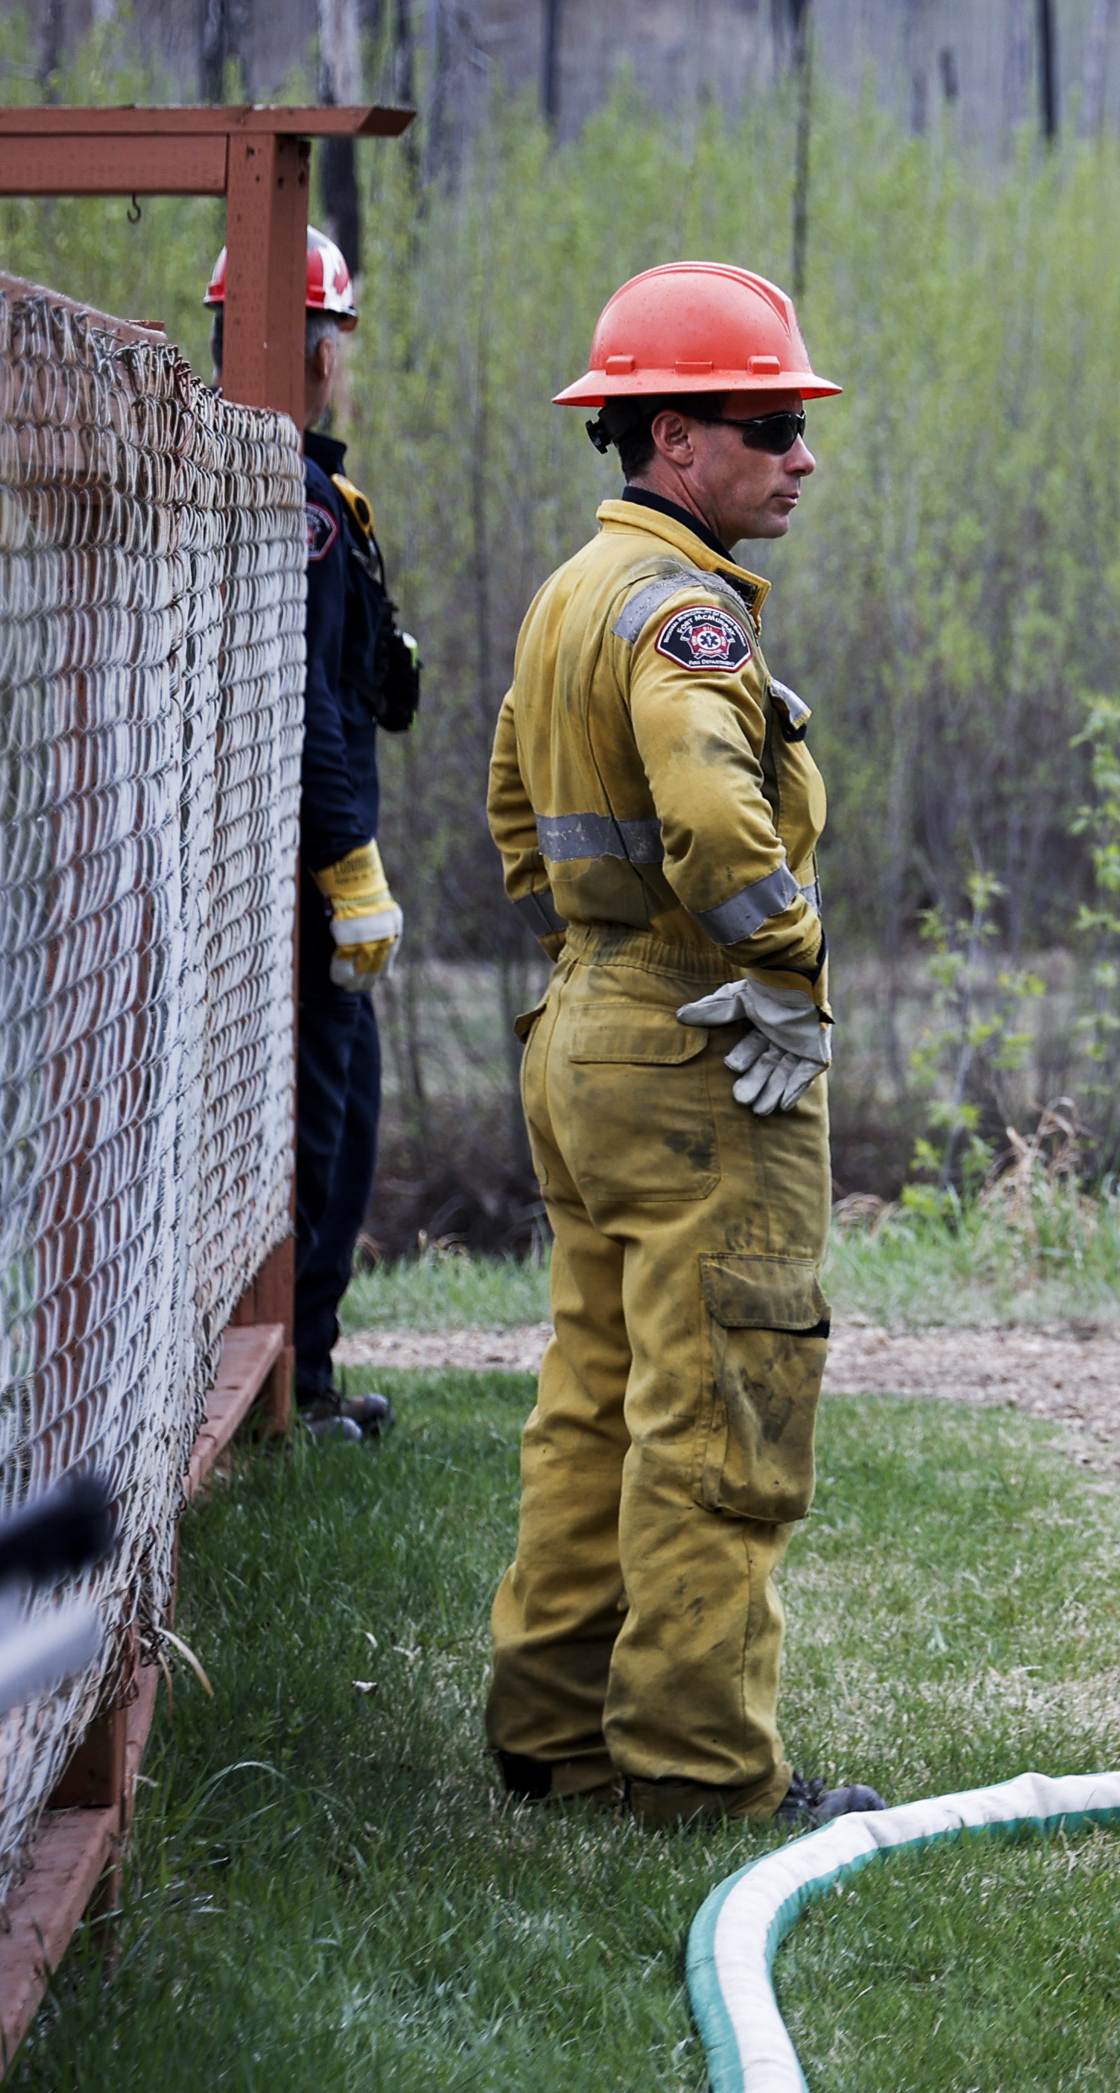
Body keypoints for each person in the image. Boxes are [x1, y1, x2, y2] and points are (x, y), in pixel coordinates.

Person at [479, 260, 882, 1829]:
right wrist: (779, 964)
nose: (800, 452)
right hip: (700, 1041)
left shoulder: (573, 592)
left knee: (595, 1393)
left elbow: (520, 809)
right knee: (724, 1402)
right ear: (672, 436)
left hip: (585, 1028)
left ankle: (556, 1733)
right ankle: (703, 1772)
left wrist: (600, 948)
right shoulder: (686, 613)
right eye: (769, 422)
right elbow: (718, 811)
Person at [209, 228, 416, 1446]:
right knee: (326, 1117)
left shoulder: (298, 487)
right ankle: (307, 1377)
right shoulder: (294, 501)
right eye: (329, 340)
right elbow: (309, 708)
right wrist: (350, 871)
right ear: (315, 349)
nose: (334, 363)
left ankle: (308, 1364)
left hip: (265, 859)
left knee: (329, 1108)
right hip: (305, 867)